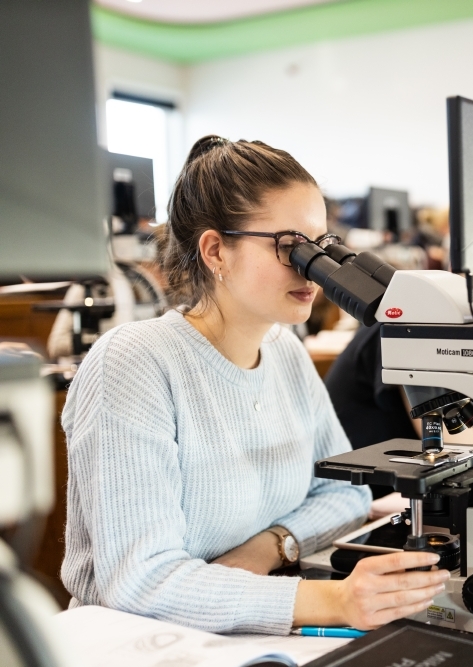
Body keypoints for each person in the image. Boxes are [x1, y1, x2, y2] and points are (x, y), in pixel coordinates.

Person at [60, 136, 448, 635]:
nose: (317, 270)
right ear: (216, 251)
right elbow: (141, 582)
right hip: (135, 645)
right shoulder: (133, 363)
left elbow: (344, 495)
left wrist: (270, 547)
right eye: (291, 246)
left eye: (322, 246)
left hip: (240, 634)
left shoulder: (284, 350)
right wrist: (333, 599)